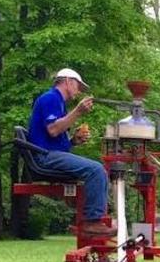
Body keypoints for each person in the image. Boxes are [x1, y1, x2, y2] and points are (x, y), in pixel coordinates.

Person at [28, 68, 112, 236]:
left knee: (98, 170)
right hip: (45, 157)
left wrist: (73, 141)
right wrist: (78, 111)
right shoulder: (50, 98)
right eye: (78, 86)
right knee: (96, 170)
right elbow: (53, 129)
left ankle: (94, 219)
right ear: (67, 81)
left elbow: (56, 140)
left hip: (49, 154)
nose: (79, 90)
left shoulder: (58, 103)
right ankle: (92, 222)